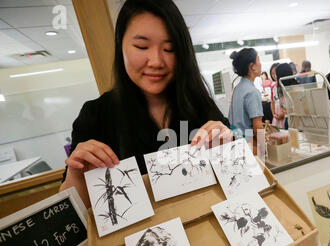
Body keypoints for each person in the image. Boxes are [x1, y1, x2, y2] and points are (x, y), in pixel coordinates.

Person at [59, 0, 232, 207]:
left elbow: (234, 174)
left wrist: (227, 144)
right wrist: (77, 175)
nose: (157, 61)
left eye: (169, 49)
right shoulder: (96, 115)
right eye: (142, 46)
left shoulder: (198, 103)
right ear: (120, 45)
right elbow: (73, 211)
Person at [229, 48, 264, 154]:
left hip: (236, 141)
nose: (260, 64)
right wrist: (263, 148)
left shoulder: (237, 88)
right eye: (258, 60)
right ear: (252, 66)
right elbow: (257, 126)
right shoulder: (252, 92)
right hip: (248, 144)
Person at [273, 63, 299, 130]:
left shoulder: (281, 89)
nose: (275, 77)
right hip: (292, 120)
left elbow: (283, 108)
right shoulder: (297, 87)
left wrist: (286, 111)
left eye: (276, 74)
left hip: (293, 120)